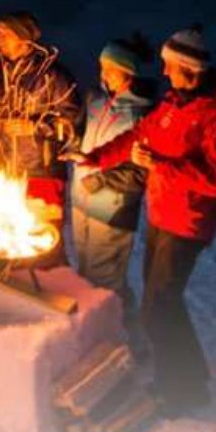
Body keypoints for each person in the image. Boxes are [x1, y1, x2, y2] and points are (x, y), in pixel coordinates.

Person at [67, 26, 216, 417]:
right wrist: (93, 158)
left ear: (188, 68)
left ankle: (177, 391)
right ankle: (192, 380)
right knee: (164, 303)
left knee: (157, 307)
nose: (162, 72)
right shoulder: (173, 103)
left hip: (188, 223)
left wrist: (162, 165)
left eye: (168, 66)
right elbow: (136, 136)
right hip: (162, 215)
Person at [71, 36, 154, 331]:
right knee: (85, 276)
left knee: (107, 281)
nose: (102, 74)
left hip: (113, 208)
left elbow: (143, 172)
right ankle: (96, 334)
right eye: (101, 67)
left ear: (127, 72)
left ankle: (127, 341)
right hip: (83, 204)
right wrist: (70, 140)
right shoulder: (98, 101)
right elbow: (85, 139)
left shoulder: (142, 114)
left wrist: (104, 179)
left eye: (109, 69)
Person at [0, 11, 82, 261]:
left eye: (4, 34)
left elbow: (72, 125)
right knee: (15, 241)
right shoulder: (2, 75)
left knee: (45, 242)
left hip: (43, 173)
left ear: (23, 39)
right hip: (10, 172)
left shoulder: (54, 76)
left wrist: (35, 127)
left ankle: (55, 290)